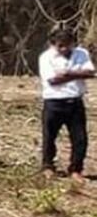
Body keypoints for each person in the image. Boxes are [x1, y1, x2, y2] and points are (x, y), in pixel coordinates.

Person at [39, 28, 95, 182]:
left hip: (75, 101)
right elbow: (52, 80)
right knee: (49, 137)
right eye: (60, 46)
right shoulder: (46, 57)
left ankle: (76, 169)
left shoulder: (81, 53)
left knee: (80, 138)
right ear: (53, 44)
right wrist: (78, 74)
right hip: (54, 101)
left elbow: (91, 72)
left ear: (73, 43)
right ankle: (48, 166)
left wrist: (67, 74)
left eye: (68, 45)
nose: (64, 49)